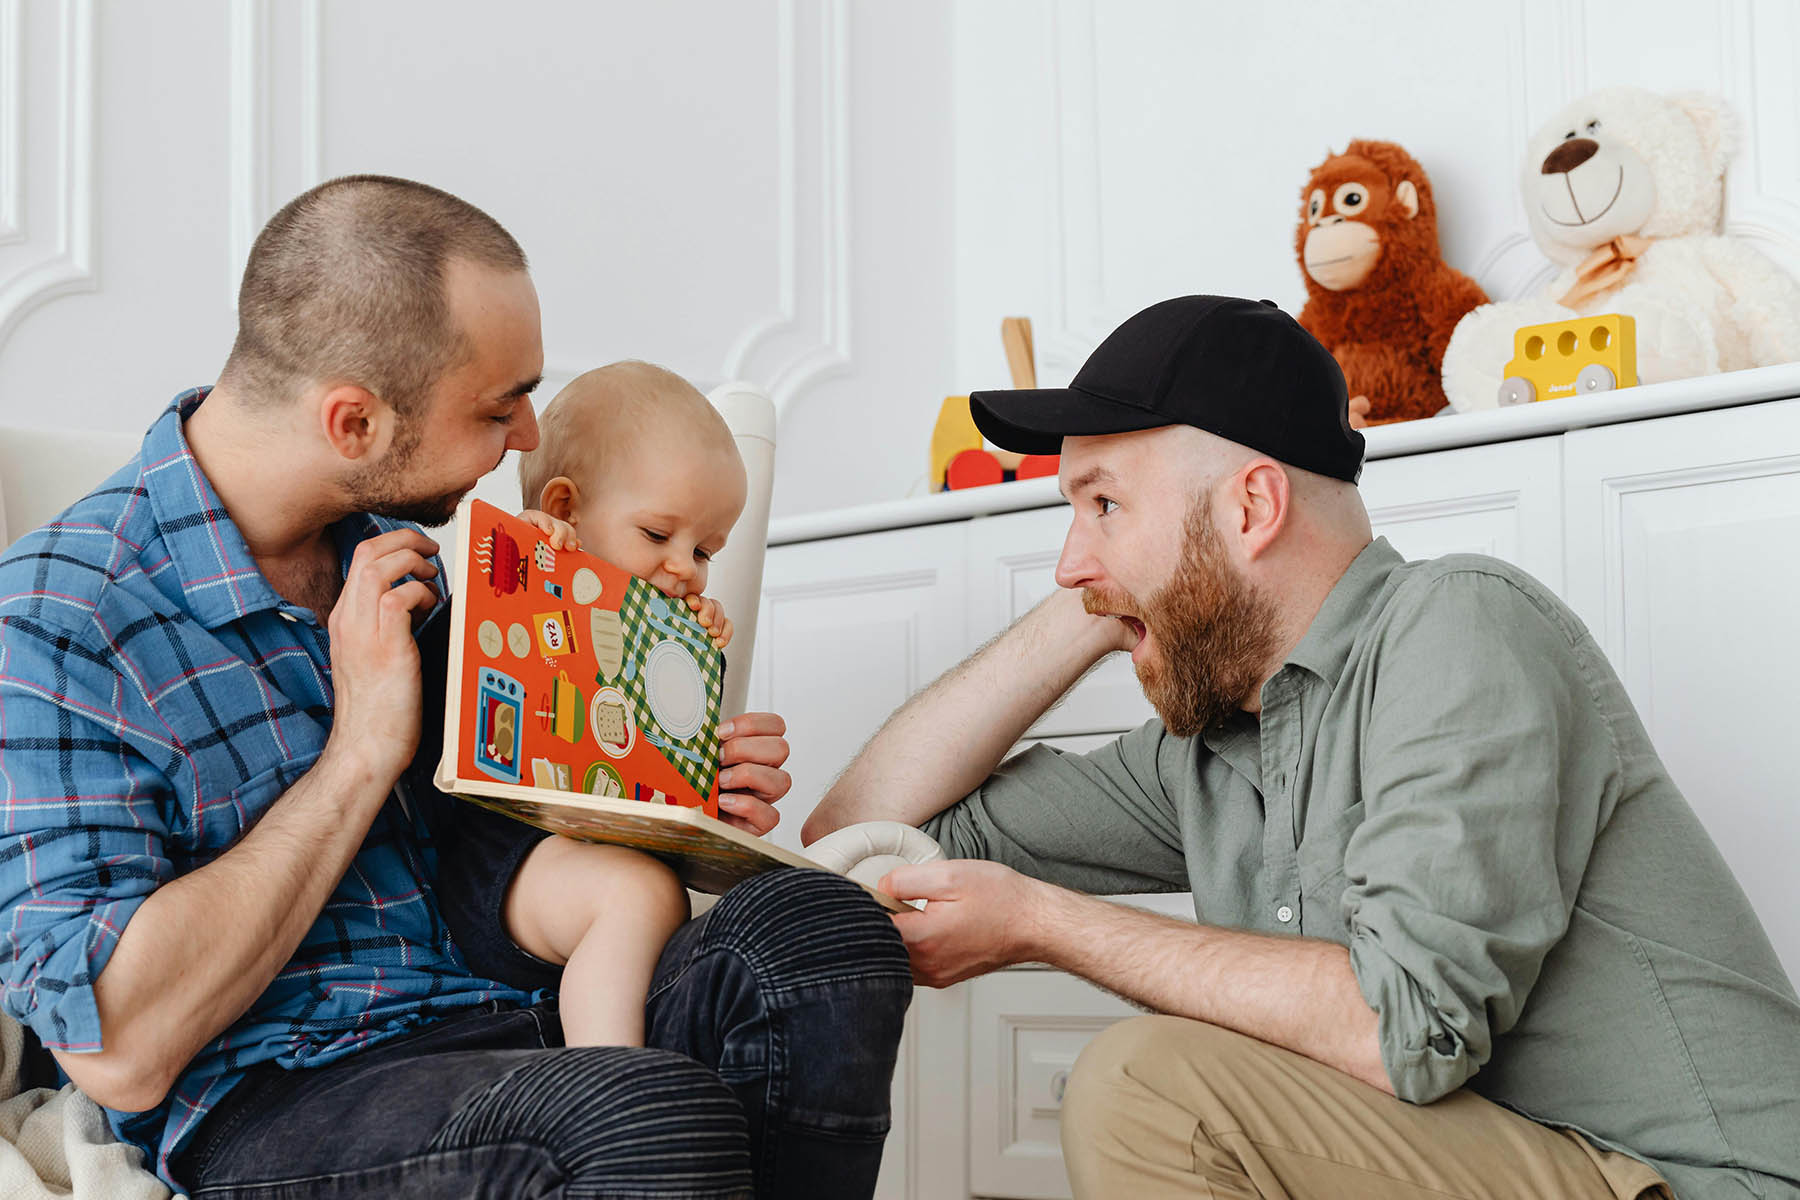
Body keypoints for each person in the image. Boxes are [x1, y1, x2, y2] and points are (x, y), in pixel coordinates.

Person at [0, 174, 910, 1200]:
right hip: (284, 1093)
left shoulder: (422, 568)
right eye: (498, 406)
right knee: (633, 1107)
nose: (528, 437)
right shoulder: (61, 618)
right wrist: (359, 752)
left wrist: (673, 789)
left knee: (828, 932)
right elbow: (115, 1045)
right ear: (354, 421)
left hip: (518, 1003)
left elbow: (525, 831)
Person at [804, 295, 1800, 1200]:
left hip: (1695, 1184)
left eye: (1103, 503)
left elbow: (1399, 1026)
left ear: (1251, 508)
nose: (1069, 556)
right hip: (1520, 1166)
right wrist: (1101, 599)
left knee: (1151, 1090)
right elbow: (863, 832)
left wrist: (1044, 924)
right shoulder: (1211, 747)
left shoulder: (1459, 628)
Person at [431, 361, 752, 1049]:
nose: (686, 569)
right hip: (504, 870)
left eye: (704, 550)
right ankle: (613, 1081)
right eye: (659, 536)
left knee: (661, 893)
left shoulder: (661, 624)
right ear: (567, 509)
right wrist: (519, 568)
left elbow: (662, 758)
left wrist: (699, 680)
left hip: (613, 856)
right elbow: (443, 687)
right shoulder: (512, 588)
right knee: (639, 894)